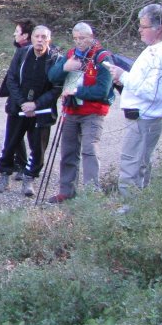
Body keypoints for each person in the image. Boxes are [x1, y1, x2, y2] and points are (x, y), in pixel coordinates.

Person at [106, 4, 162, 204]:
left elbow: (153, 92)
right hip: (143, 117)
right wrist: (124, 80)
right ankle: (138, 208)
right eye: (140, 25)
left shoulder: (161, 54)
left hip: (145, 118)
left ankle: (130, 213)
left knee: (132, 164)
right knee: (139, 164)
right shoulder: (154, 50)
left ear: (160, 28)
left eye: (144, 26)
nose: (139, 30)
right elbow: (144, 82)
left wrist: (124, 77)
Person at [47, 22, 115, 203]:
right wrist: (64, 68)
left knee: (89, 150)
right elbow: (52, 77)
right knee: (68, 151)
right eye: (75, 38)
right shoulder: (71, 55)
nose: (79, 42)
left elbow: (103, 90)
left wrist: (77, 92)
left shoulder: (103, 57)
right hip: (71, 110)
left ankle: (91, 195)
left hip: (93, 113)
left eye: (83, 38)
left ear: (91, 37)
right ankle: (67, 192)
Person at [0, 26, 62, 196]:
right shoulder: (22, 53)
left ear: (49, 39)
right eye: (37, 36)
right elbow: (11, 79)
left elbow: (56, 88)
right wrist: (23, 103)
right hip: (18, 107)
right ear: (31, 38)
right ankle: (5, 175)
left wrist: (36, 104)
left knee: (38, 147)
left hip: (42, 111)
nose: (40, 40)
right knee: (11, 142)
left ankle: (29, 177)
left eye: (44, 37)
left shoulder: (55, 59)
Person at [0, 18, 36, 179]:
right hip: (17, 99)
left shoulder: (27, 52)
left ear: (25, 35)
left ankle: (23, 166)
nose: (14, 34)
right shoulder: (20, 49)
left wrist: (20, 100)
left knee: (17, 134)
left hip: (23, 101)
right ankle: (21, 163)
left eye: (17, 32)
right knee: (15, 133)